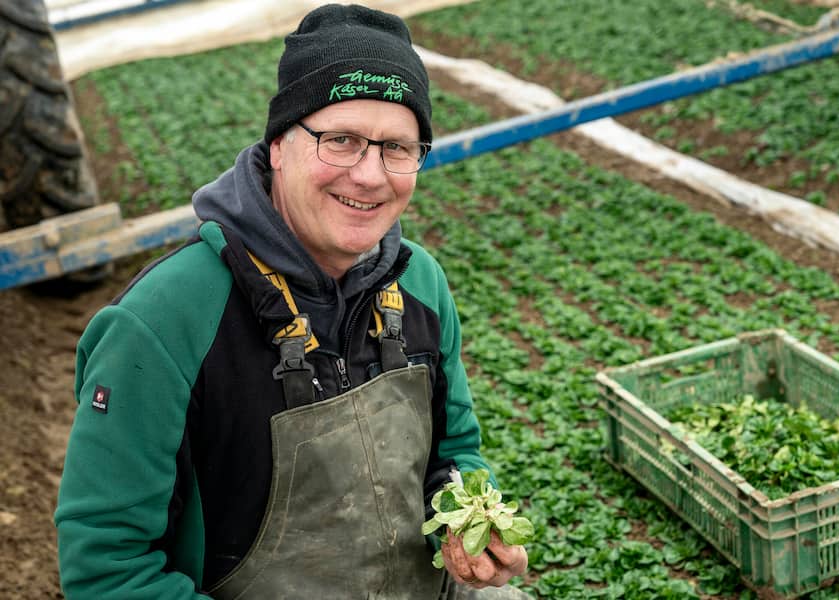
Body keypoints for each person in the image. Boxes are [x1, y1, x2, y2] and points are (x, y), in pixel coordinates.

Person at [54, 4, 530, 599]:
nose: (370, 175)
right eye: (341, 141)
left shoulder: (421, 283)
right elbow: (109, 570)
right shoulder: (163, 321)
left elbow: (454, 452)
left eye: (397, 147)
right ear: (279, 144)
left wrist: (469, 523)